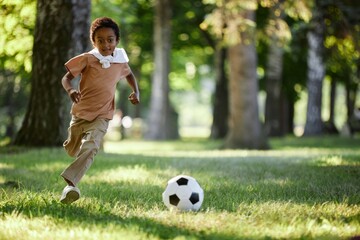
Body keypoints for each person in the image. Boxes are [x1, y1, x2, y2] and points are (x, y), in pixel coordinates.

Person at [59, 17, 140, 204]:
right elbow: (66, 79)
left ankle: (71, 182)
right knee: (72, 147)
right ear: (93, 42)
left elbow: (129, 74)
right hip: (80, 112)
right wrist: (71, 90)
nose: (106, 44)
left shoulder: (120, 60)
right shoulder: (88, 59)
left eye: (110, 39)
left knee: (92, 146)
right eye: (100, 40)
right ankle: (71, 145)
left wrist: (135, 91)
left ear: (117, 41)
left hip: (103, 114)